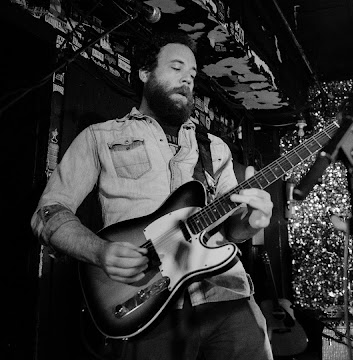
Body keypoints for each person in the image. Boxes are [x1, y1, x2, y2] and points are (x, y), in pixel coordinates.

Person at [30, 32, 274, 360]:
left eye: (192, 74)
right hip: (147, 306)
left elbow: (232, 231)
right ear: (145, 73)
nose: (188, 79)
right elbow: (48, 212)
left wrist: (254, 221)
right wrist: (100, 251)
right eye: (176, 68)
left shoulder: (215, 148)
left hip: (227, 299)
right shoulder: (100, 138)